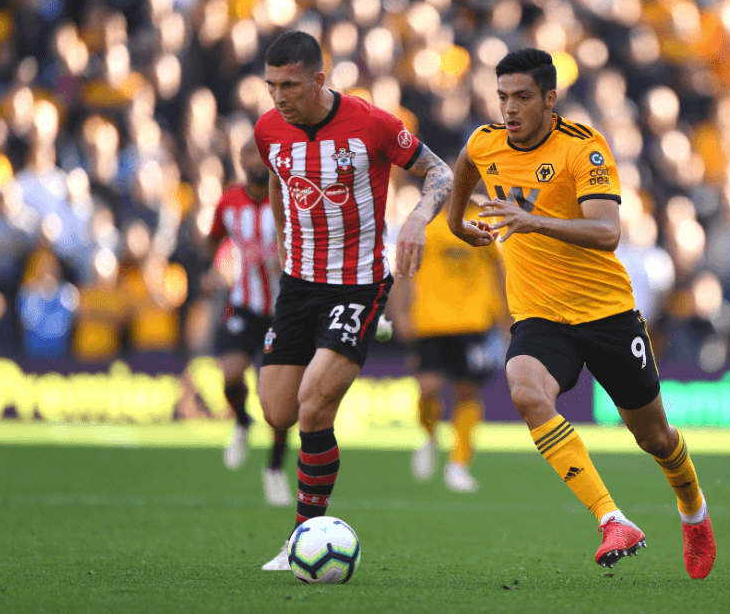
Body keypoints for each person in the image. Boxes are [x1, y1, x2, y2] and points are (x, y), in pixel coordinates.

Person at [447, 48, 716, 579]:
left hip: (606, 314)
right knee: (524, 389)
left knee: (654, 437)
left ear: (550, 99)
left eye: (522, 97)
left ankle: (694, 512)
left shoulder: (583, 148)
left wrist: (530, 221)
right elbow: (464, 171)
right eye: (503, 97)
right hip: (540, 316)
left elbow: (607, 232)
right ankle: (611, 519)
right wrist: (459, 224)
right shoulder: (484, 143)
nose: (510, 109)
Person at [253, 31, 452, 570]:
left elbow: (441, 172)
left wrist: (416, 217)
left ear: (319, 79)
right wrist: (280, 238)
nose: (279, 97)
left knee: (314, 403)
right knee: (277, 410)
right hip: (298, 285)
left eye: (289, 84)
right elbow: (278, 179)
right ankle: (309, 512)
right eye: (271, 85)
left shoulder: (372, 124)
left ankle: (299, 537)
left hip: (358, 285)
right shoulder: (268, 130)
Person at [387, 196, 509, 493]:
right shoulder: (423, 222)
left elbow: (501, 272)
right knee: (428, 388)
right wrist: (399, 312)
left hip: (474, 321)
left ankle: (458, 465)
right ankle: (428, 435)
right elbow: (403, 269)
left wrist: (507, 320)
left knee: (467, 392)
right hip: (429, 321)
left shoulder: (485, 221)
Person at [208, 139, 290, 506]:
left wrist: (288, 262)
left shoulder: (288, 196)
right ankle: (241, 421)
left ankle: (273, 470)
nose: (252, 162)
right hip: (244, 304)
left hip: (285, 309)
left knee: (278, 399)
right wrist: (220, 267)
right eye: (246, 155)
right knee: (230, 373)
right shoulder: (229, 201)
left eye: (258, 154)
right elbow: (214, 240)